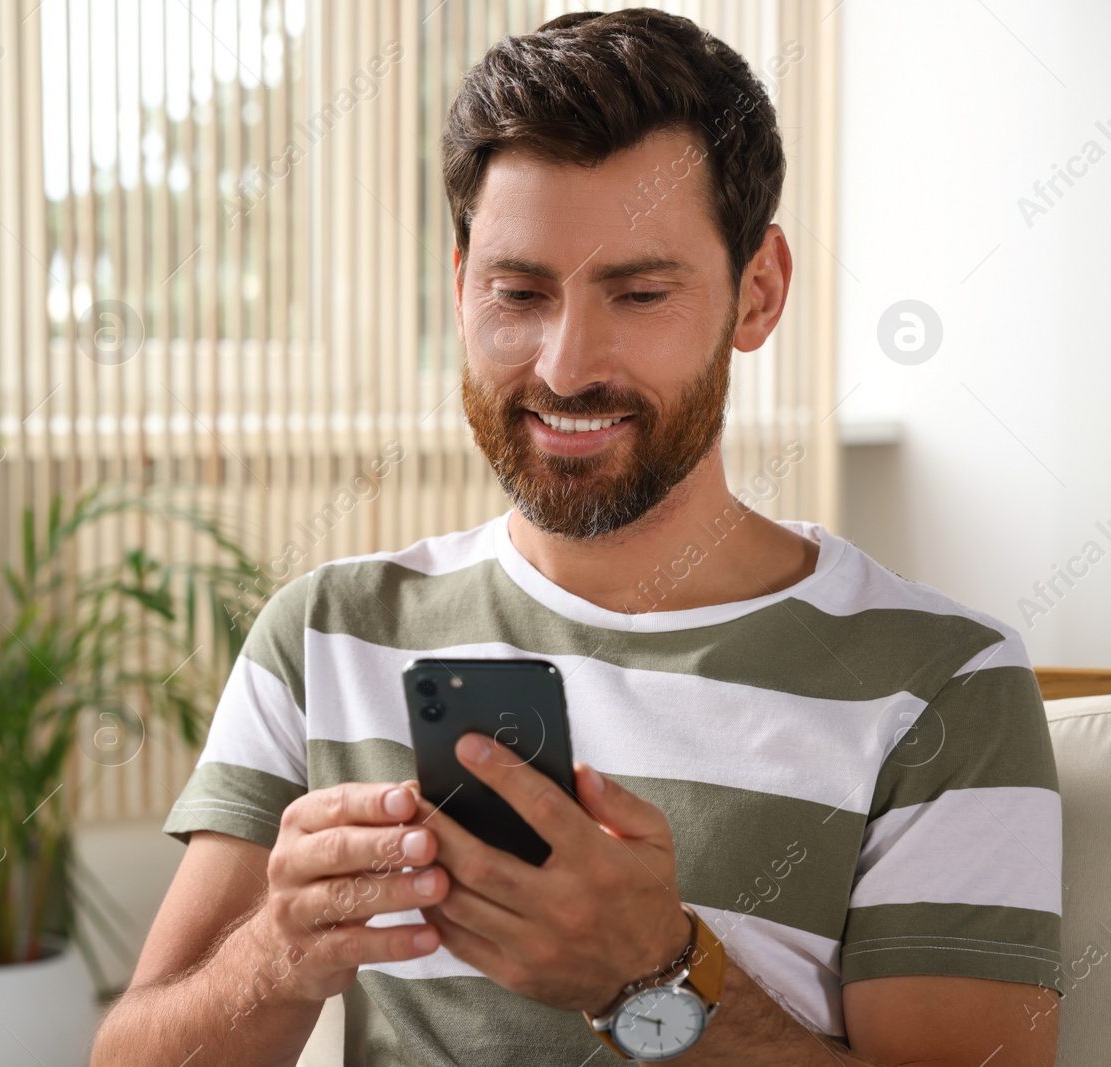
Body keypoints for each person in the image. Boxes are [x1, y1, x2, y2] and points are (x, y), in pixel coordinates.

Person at [91, 9, 1062, 1065]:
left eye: (638, 292)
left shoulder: (940, 684)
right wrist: (274, 955)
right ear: (459, 283)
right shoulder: (326, 632)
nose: (563, 365)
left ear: (758, 289)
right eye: (518, 292)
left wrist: (653, 975)